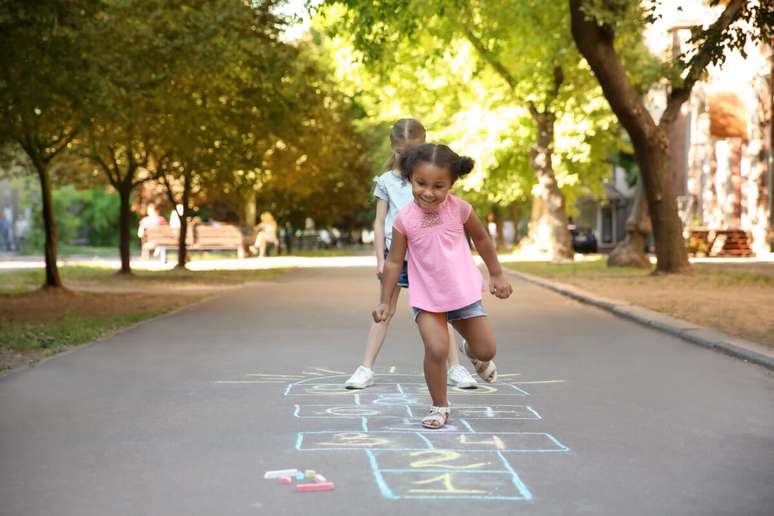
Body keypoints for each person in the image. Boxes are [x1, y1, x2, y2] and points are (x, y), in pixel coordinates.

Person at [373, 143, 513, 429]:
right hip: (427, 298)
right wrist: (385, 301)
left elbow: (483, 240)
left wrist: (496, 274)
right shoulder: (404, 220)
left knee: (486, 350)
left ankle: (472, 354)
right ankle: (439, 406)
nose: (428, 192)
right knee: (436, 349)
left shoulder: (460, 209)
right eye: (420, 183)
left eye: (438, 186)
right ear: (411, 178)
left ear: (451, 183)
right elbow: (393, 262)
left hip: (463, 293)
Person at [345, 119, 477, 390]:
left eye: (412, 152)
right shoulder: (385, 182)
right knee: (385, 310)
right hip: (398, 256)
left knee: (442, 312)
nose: (406, 159)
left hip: (429, 257)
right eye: (401, 153)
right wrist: (380, 259)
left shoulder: (429, 178)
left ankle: (456, 368)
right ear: (393, 149)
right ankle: (365, 368)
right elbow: (379, 222)